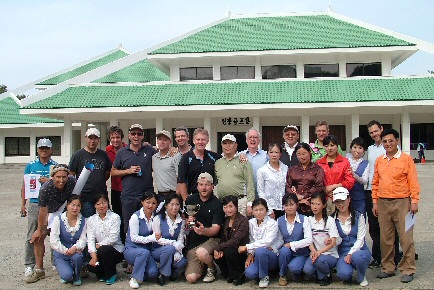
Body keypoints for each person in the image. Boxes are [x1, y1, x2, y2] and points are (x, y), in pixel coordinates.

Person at [372, 128, 420, 283]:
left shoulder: (406, 159)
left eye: (390, 140)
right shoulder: (380, 160)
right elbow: (375, 182)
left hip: (403, 202)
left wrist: (414, 201)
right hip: (383, 202)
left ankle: (408, 269)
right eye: (385, 141)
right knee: (386, 238)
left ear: (397, 141)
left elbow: (413, 181)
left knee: (406, 237)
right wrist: (375, 202)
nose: (387, 144)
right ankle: (388, 268)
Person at [25, 164, 77, 283]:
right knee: (39, 238)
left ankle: (69, 264)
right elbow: (43, 210)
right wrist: (39, 229)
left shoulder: (72, 182)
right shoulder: (45, 189)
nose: (61, 180)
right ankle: (39, 269)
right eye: (58, 177)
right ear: (52, 177)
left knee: (71, 235)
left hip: (65, 212)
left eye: (64, 177)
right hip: (50, 213)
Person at [111, 124, 158, 235]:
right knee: (129, 226)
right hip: (129, 195)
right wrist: (128, 171)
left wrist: (173, 150)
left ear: (143, 136)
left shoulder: (150, 150)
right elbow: (113, 172)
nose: (136, 136)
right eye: (133, 133)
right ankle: (129, 250)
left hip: (146, 195)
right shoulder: (122, 152)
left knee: (148, 225)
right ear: (129, 136)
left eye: (139, 134)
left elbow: (163, 156)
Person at [21, 138, 57, 278]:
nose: (44, 150)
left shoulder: (55, 165)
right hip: (35, 203)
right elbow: (25, 185)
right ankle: (29, 265)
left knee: (54, 233)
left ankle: (55, 262)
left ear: (51, 150)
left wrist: (49, 180)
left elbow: (60, 182)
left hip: (51, 204)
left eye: (46, 148)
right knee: (32, 235)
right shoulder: (30, 165)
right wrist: (23, 204)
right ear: (37, 150)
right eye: (41, 148)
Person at [184, 172, 225, 283]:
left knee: (201, 252)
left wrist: (203, 231)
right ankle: (203, 266)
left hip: (211, 239)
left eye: (207, 185)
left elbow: (215, 229)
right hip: (194, 242)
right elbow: (189, 221)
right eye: (201, 184)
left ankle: (212, 268)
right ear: (197, 186)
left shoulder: (217, 204)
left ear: (212, 186)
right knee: (191, 278)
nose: (204, 187)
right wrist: (189, 223)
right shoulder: (191, 200)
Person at [239, 198, 282, 288]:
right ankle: (266, 271)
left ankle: (264, 277)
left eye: (261, 209)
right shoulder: (250, 223)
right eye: (256, 210)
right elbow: (251, 239)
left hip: (271, 254)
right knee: (250, 274)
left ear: (266, 210)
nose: (259, 213)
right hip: (256, 254)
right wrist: (250, 253)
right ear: (253, 211)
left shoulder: (272, 223)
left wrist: (247, 247)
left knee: (261, 250)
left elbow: (267, 242)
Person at [332, 187, 371, 287]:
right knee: (343, 274)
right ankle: (348, 274)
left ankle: (361, 276)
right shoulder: (332, 219)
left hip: (359, 250)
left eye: (343, 201)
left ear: (349, 200)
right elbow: (336, 240)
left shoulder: (359, 216)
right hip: (343, 253)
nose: (340, 204)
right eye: (337, 202)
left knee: (359, 257)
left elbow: (360, 239)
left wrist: (350, 253)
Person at [69, 128, 112, 218]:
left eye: (95, 138)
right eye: (90, 138)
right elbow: (71, 174)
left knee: (104, 220)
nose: (92, 141)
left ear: (98, 140)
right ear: (85, 138)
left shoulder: (103, 155)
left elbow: (107, 173)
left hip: (101, 195)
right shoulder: (78, 155)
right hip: (85, 197)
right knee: (89, 222)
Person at [303, 192, 340, 286]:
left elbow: (333, 242)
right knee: (307, 270)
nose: (314, 207)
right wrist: (313, 251)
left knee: (320, 260)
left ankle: (327, 275)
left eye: (318, 204)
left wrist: (319, 252)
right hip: (315, 254)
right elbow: (308, 239)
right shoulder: (308, 220)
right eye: (312, 203)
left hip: (330, 255)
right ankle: (320, 273)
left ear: (323, 205)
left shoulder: (330, 220)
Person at [123, 192, 159, 289]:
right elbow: (134, 237)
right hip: (132, 249)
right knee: (144, 253)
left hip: (146, 251)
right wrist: (151, 238)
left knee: (153, 273)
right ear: (142, 202)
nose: (150, 205)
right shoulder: (135, 217)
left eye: (154, 203)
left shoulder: (156, 217)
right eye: (148, 202)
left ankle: (139, 268)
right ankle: (134, 278)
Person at [87, 194, 124, 285]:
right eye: (98, 204)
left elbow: (113, 238)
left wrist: (99, 245)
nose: (101, 206)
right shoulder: (91, 220)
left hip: (115, 250)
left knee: (104, 250)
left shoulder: (115, 217)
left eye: (104, 202)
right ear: (94, 205)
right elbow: (90, 239)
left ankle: (111, 274)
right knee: (90, 266)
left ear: (108, 203)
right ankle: (103, 273)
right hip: (99, 250)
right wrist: (94, 256)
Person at [50, 195, 87, 286]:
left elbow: (83, 239)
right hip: (61, 254)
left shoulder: (84, 221)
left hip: (76, 253)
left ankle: (77, 275)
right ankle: (67, 272)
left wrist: (74, 248)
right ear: (67, 205)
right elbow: (54, 240)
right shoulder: (58, 219)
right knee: (67, 276)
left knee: (77, 257)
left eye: (78, 206)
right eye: (73, 205)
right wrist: (65, 251)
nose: (75, 208)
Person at [215, 134, 255, 216]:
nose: (227, 146)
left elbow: (250, 184)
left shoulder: (244, 162)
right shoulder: (218, 163)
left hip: (240, 203)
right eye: (225, 143)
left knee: (239, 227)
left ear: (236, 145)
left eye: (230, 143)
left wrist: (249, 204)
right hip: (222, 204)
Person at [277, 192, 312, 286]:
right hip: (286, 252)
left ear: (297, 205)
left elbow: (309, 240)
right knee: (284, 251)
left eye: (291, 204)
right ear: (283, 207)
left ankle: (297, 273)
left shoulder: (304, 219)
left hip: (301, 253)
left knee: (295, 268)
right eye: (286, 205)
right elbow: (279, 239)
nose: (289, 207)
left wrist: (291, 245)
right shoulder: (279, 220)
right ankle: (282, 275)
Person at [213, 195, 249, 286]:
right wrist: (218, 249)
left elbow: (235, 241)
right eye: (225, 207)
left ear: (236, 207)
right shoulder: (225, 221)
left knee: (229, 251)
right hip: (228, 248)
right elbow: (223, 238)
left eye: (230, 206)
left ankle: (238, 275)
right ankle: (228, 273)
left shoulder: (243, 221)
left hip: (241, 251)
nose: (228, 209)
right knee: (215, 253)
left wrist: (219, 247)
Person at [152, 193, 187, 286]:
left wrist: (178, 250)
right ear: (166, 205)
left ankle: (171, 270)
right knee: (169, 249)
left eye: (177, 204)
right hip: (157, 250)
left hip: (173, 249)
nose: (174, 207)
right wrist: (172, 243)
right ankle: (162, 274)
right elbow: (157, 239)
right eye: (172, 204)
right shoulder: (158, 219)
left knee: (182, 262)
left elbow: (180, 238)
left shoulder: (181, 221)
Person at [178, 128, 221, 200]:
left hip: (210, 198)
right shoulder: (186, 158)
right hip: (193, 197)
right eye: (198, 139)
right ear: (193, 141)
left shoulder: (214, 157)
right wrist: (187, 201)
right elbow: (181, 182)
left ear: (207, 141)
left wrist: (241, 156)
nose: (200, 142)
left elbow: (228, 159)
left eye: (203, 139)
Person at [316, 135, 355, 215]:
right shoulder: (319, 163)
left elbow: (350, 182)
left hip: (341, 199)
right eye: (326, 146)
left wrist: (334, 187)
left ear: (337, 146)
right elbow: (316, 181)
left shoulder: (345, 162)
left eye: (332, 145)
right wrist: (325, 190)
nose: (329, 148)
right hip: (324, 199)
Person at [365, 120, 385, 268]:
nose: (374, 134)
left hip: (385, 191)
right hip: (370, 191)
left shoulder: (389, 147)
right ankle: (377, 255)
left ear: (381, 129)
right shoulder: (371, 149)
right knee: (373, 226)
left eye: (376, 131)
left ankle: (392, 256)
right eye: (371, 132)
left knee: (387, 225)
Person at [286, 142, 325, 216]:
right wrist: (297, 198)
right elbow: (288, 186)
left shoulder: (317, 169)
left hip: (312, 205)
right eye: (299, 154)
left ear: (310, 153)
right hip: (296, 206)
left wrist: (303, 196)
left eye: (304, 153)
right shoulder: (292, 169)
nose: (301, 157)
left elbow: (318, 186)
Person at [105, 126, 127, 243]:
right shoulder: (107, 150)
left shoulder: (128, 149)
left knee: (127, 218)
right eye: (112, 137)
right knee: (117, 217)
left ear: (122, 138)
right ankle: (120, 243)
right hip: (115, 189)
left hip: (127, 189)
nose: (115, 140)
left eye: (117, 137)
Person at [257, 143, 288, 219]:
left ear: (280, 154)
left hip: (285, 207)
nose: (274, 155)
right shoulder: (262, 171)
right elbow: (261, 192)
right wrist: (269, 210)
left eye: (276, 152)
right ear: (267, 153)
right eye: (271, 152)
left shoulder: (286, 168)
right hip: (270, 208)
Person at [152, 130, 181, 203]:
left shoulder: (176, 156)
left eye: (165, 140)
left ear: (170, 142)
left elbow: (181, 179)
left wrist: (176, 197)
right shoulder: (154, 157)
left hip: (173, 195)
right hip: (160, 196)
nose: (162, 142)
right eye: (160, 139)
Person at [346, 137, 369, 216]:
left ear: (363, 151)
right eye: (355, 147)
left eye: (360, 148)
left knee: (360, 219)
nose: (357, 150)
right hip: (345, 197)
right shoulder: (345, 160)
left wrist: (354, 175)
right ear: (351, 148)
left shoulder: (365, 163)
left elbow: (365, 180)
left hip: (359, 197)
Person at [240, 128, 269, 193]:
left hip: (262, 194)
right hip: (245, 195)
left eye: (255, 137)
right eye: (250, 137)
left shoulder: (266, 155)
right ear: (246, 140)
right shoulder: (239, 155)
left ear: (259, 140)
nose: (252, 139)